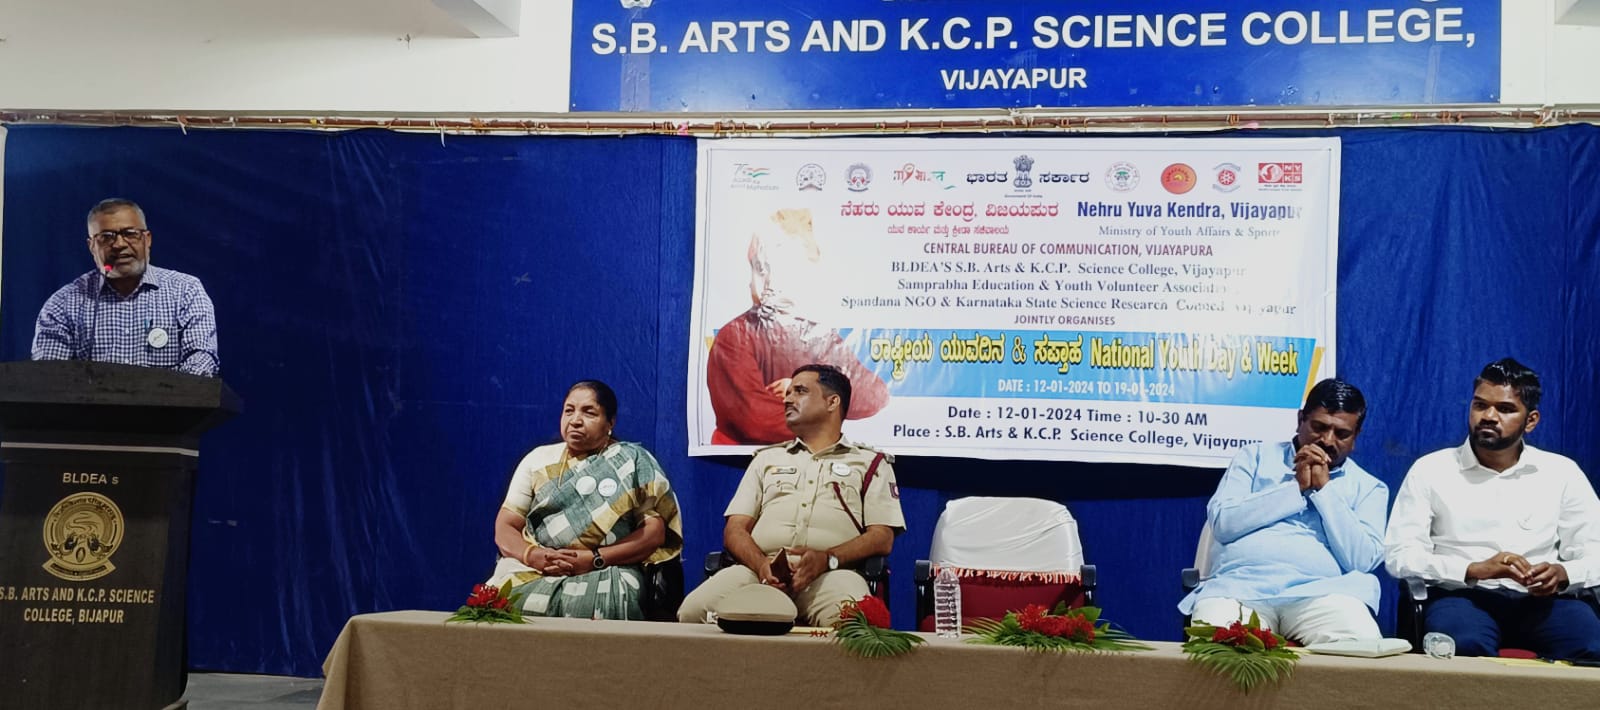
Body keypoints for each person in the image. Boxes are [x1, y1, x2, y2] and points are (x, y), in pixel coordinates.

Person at [1385, 358, 1600, 658]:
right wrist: (1472, 570)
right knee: (1463, 645)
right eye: (1480, 405)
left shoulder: (1562, 473)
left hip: (1544, 602)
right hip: (1461, 598)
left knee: (1593, 646)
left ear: (1531, 420)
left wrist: (1562, 573)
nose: (1488, 416)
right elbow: (1400, 555)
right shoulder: (1431, 470)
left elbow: (1595, 552)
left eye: (1505, 409)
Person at [680, 364, 904, 627]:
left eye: (800, 391)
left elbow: (882, 538)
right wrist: (761, 565)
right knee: (692, 613)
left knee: (852, 622)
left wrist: (828, 559)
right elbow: (735, 529)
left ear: (832, 402)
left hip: (833, 573)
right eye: (788, 392)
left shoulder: (871, 463)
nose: (787, 399)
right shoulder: (766, 460)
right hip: (759, 574)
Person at [1180, 378, 1388, 644]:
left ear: (1355, 437)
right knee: (1219, 652)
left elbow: (1362, 561)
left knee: (1360, 649)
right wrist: (1295, 489)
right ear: (1300, 420)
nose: (1327, 440)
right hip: (1240, 589)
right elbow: (1223, 523)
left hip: (1325, 595)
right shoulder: (1254, 458)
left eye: (1342, 434)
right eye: (1319, 427)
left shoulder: (1369, 487)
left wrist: (1324, 491)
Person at [487, 380, 683, 620]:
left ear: (610, 422)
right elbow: (506, 525)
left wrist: (595, 559)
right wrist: (533, 555)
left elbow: (653, 533)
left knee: (604, 603)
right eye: (569, 411)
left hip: (609, 566)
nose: (575, 420)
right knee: (495, 600)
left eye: (589, 412)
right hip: (536, 566)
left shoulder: (632, 462)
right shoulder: (537, 459)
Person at [706, 208, 890, 444]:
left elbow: (874, 395)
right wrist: (825, 407)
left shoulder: (818, 336)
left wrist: (802, 390)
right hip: (748, 460)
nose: (767, 283)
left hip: (809, 458)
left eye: (782, 269)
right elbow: (756, 420)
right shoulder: (735, 337)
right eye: (759, 269)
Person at [32, 198, 220, 377]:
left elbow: (201, 361)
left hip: (170, 401)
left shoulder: (185, 291)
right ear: (91, 246)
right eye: (106, 237)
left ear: (147, 239)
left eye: (130, 234)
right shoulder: (63, 303)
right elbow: (49, 378)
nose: (119, 244)